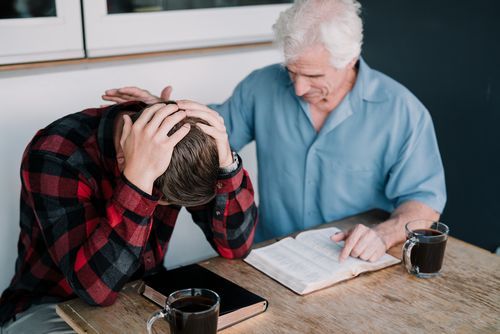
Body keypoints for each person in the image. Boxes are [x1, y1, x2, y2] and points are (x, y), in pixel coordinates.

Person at [102, 0, 446, 264]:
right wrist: (162, 112)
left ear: (350, 59)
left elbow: (425, 204)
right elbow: (208, 139)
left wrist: (382, 235)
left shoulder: (402, 111)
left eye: (312, 76)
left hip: (351, 262)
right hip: (274, 256)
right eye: (291, 70)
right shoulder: (261, 86)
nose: (296, 88)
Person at [0, 101, 258, 333]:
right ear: (123, 157)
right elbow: (95, 291)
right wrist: (137, 181)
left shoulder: (175, 142)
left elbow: (236, 246)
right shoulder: (55, 154)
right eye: (162, 202)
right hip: (51, 306)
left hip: (141, 296)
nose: (162, 207)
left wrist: (228, 163)